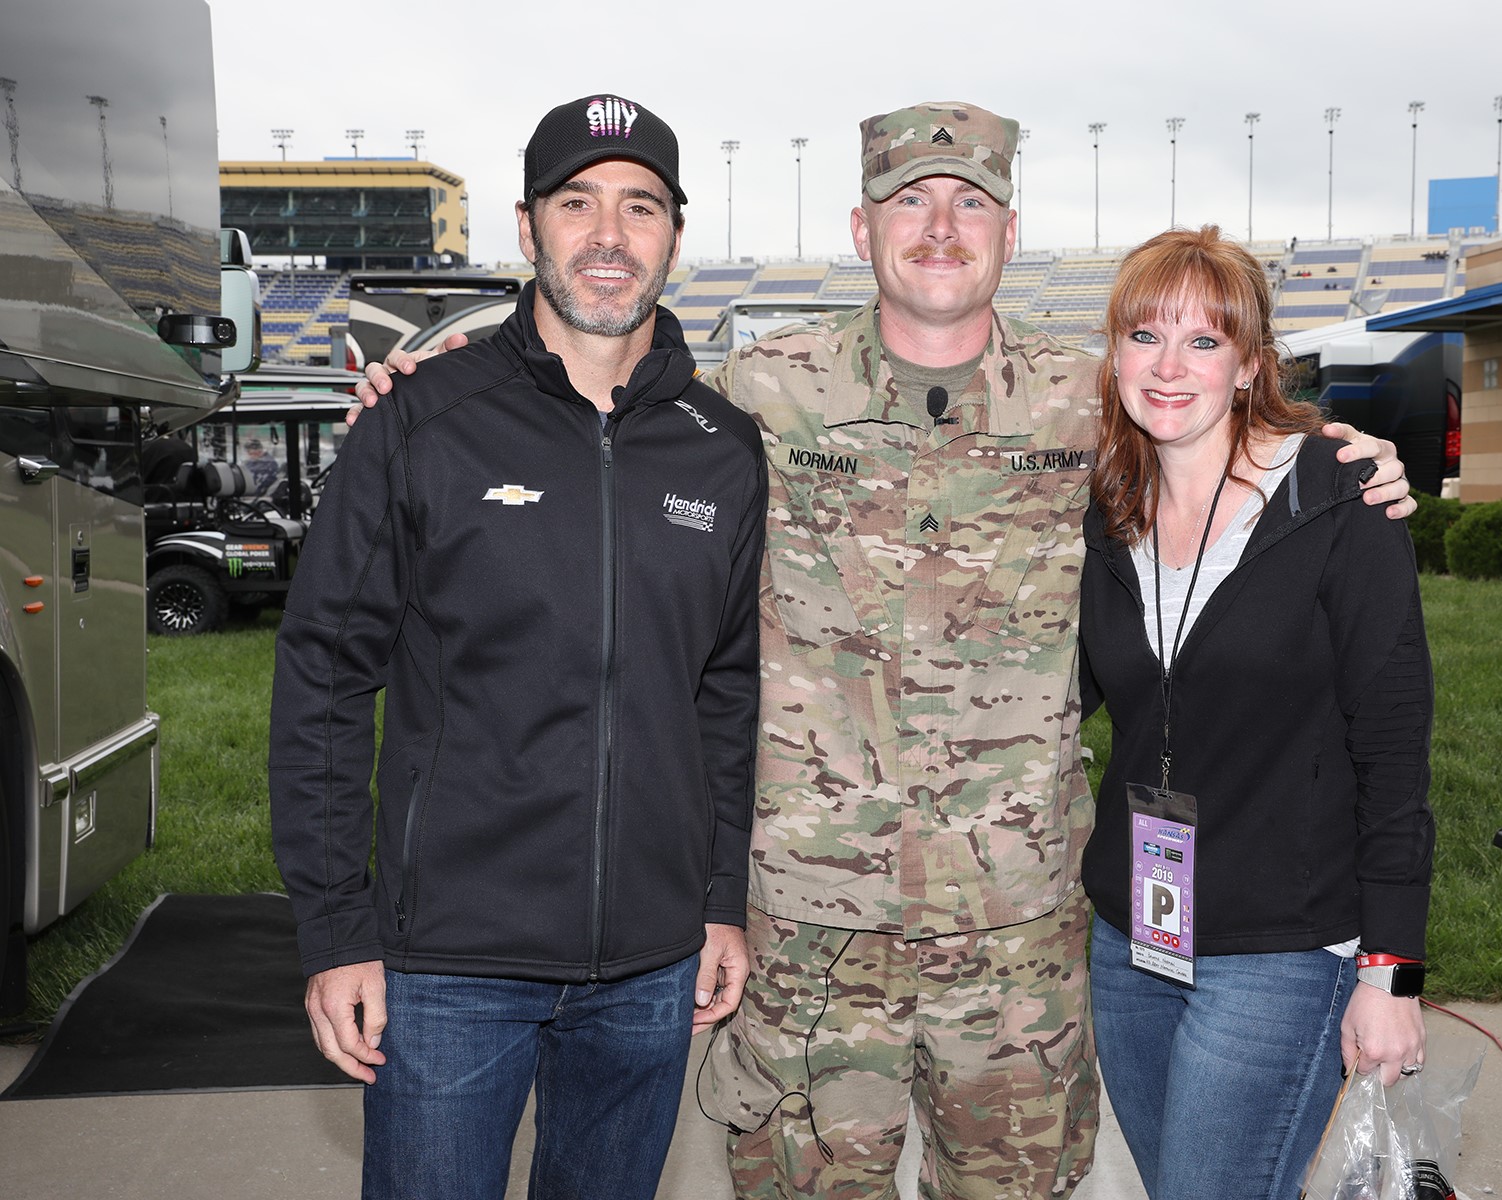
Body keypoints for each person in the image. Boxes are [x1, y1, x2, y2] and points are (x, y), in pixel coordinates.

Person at [352, 101, 1418, 1200]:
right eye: (911, 201)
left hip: (1017, 937)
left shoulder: (1095, 404)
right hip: (811, 934)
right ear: (863, 232)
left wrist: (1348, 457)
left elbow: (1227, 432)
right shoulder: (759, 394)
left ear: (1012, 232)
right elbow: (593, 410)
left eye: (972, 202)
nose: (942, 226)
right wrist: (413, 394)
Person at [268, 94, 765, 1200]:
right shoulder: (416, 421)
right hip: (448, 962)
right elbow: (324, 678)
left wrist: (719, 895)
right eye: (576, 201)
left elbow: (726, 695)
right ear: (528, 224)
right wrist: (336, 928)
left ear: (675, 237)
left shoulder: (724, 451)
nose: (608, 234)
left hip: (650, 966)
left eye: (640, 207)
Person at [1077, 226, 1434, 1200]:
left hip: (1280, 948)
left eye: (1203, 341)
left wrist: (1390, 968)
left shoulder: (1337, 495)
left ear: (1249, 367)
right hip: (1133, 933)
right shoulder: (1104, 509)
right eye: (1144, 336)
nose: (1168, 366)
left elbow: (1394, 744)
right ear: (1114, 357)